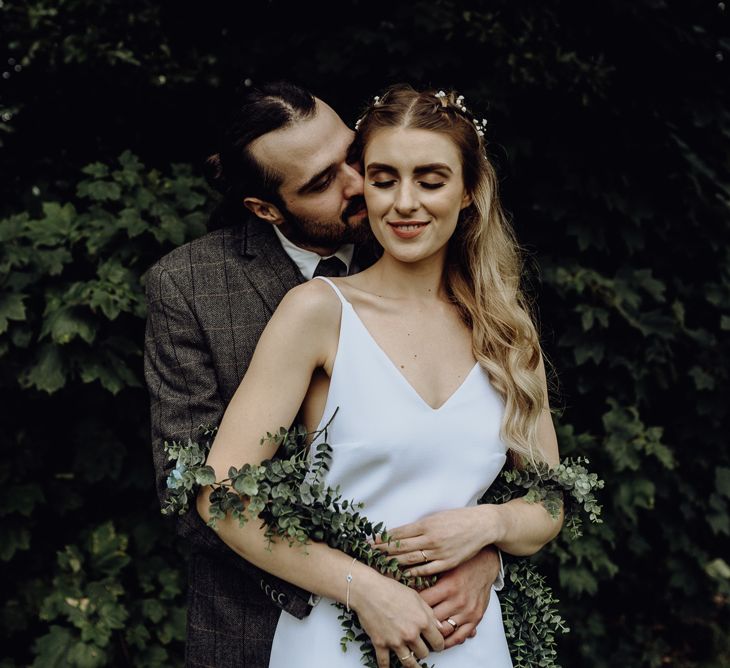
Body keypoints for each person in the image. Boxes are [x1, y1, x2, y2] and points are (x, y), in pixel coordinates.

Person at [197, 85, 562, 668]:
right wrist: (362, 588)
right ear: (363, 184)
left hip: (470, 642)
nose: (405, 202)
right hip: (338, 640)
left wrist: (488, 528)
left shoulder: (505, 331)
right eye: (384, 178)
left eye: (431, 179)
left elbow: (550, 499)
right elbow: (220, 497)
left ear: (469, 191)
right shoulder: (317, 312)